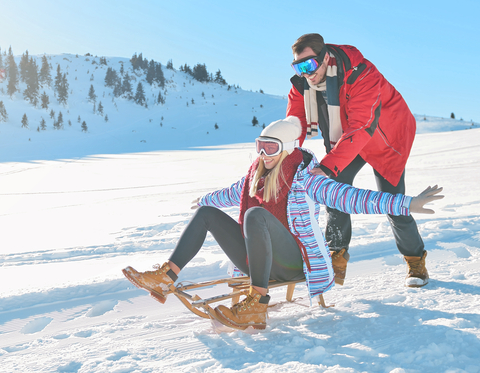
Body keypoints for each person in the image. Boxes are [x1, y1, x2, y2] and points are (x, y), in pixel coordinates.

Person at [123, 117, 443, 330]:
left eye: (271, 148)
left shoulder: (307, 179)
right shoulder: (255, 176)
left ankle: (258, 302)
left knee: (254, 216)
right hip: (259, 259)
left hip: (293, 262)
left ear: (287, 148)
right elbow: (229, 193)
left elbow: (352, 197)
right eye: (260, 146)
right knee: (208, 215)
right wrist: (206, 199)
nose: (263, 154)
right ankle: (166, 277)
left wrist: (406, 202)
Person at [286, 33, 428, 288]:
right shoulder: (302, 85)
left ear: (325, 56)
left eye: (309, 65)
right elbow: (294, 125)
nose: (305, 73)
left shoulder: (361, 74)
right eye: (298, 66)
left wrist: (328, 166)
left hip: (386, 139)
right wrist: (283, 156)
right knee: (333, 192)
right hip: (344, 139)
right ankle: (336, 255)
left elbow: (362, 127)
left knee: (393, 203)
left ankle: (415, 260)